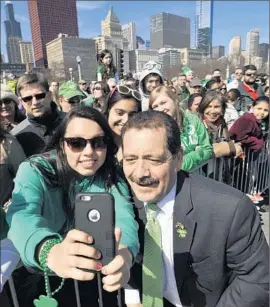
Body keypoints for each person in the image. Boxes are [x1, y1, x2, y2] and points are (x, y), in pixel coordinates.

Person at [121, 110, 269, 307]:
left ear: (178, 159)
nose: (139, 173)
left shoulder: (229, 209)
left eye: (154, 160)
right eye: (130, 159)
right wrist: (131, 296)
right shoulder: (122, 201)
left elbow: (256, 280)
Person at [6, 106, 139, 306]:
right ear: (62, 144)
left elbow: (124, 219)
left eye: (98, 142)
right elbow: (22, 215)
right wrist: (49, 251)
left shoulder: (111, 175)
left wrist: (124, 256)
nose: (89, 152)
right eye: (76, 143)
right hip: (43, 277)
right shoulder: (35, 170)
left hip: (96, 276)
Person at [149, 86, 213, 171]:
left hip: (196, 179)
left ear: (174, 101)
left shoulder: (192, 120)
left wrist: (185, 160)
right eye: (155, 106)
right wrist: (197, 152)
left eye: (163, 102)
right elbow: (167, 167)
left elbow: (207, 149)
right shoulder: (153, 131)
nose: (160, 109)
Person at [11, 73, 65, 157]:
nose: (35, 102)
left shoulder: (72, 121)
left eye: (40, 96)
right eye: (27, 98)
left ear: (49, 95)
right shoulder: (16, 136)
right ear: (21, 101)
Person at [198, 90, 243, 158]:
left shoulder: (221, 122)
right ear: (203, 108)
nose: (212, 111)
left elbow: (226, 140)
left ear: (222, 108)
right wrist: (230, 147)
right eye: (208, 106)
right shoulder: (196, 124)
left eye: (216, 107)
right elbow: (200, 151)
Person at [105, 85, 142, 163]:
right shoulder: (96, 141)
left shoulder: (143, 142)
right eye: (120, 113)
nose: (126, 120)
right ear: (108, 110)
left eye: (132, 115)